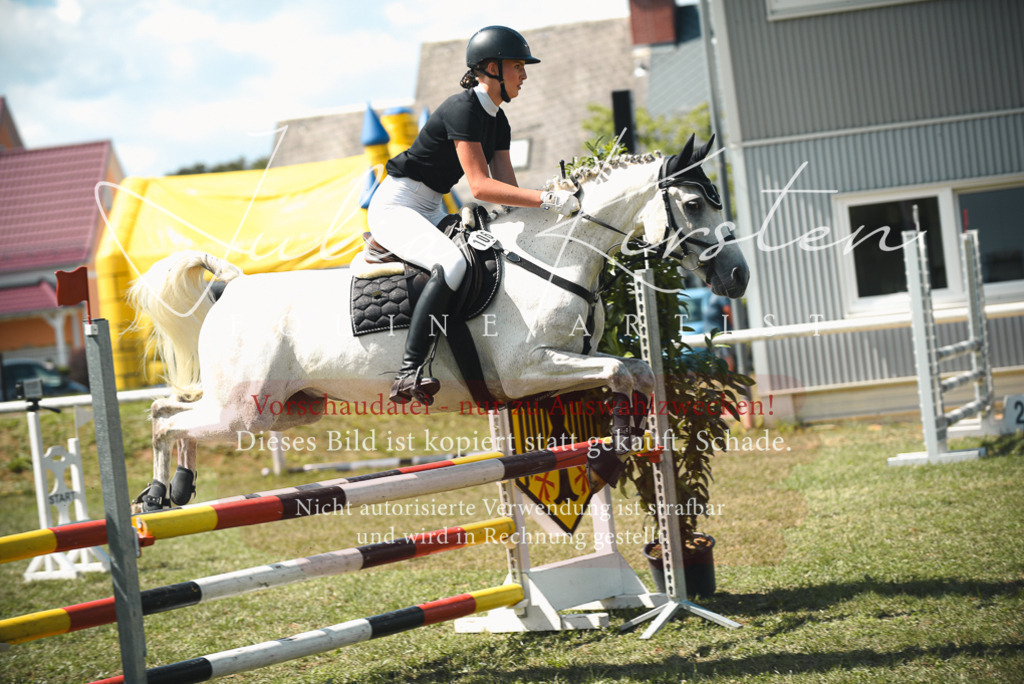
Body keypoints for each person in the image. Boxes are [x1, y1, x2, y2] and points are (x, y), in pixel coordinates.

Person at [368, 25, 580, 405]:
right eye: (518, 66)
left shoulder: (498, 120)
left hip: (431, 205)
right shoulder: (462, 108)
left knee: (484, 258)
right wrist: (547, 198)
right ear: (492, 68)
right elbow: (481, 187)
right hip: (397, 204)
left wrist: (554, 208)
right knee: (450, 264)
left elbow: (509, 194)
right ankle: (408, 372)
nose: (525, 75)